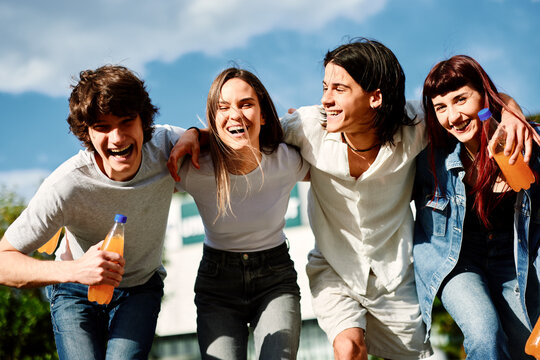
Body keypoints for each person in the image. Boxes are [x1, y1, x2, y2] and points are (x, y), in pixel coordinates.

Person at [168, 38, 536, 360]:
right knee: (348, 348)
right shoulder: (309, 127)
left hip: (394, 269)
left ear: (375, 97)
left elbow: (469, 100)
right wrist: (195, 133)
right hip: (334, 267)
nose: (325, 99)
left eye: (339, 89)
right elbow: (247, 129)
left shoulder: (415, 125)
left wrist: (510, 111)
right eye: (324, 87)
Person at [0, 65, 192, 359]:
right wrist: (74, 271)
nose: (116, 138)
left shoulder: (166, 145)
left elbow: (220, 136)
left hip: (139, 288)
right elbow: (3, 262)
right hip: (75, 290)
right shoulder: (67, 185)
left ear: (144, 123)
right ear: (87, 133)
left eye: (127, 121)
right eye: (102, 127)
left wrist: (195, 135)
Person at [175, 68, 309, 359]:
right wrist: (194, 134)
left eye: (246, 104)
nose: (234, 113)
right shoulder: (195, 169)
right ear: (213, 120)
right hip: (217, 284)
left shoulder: (286, 161)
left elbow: (337, 161)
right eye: (223, 107)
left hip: (275, 278)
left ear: (262, 114)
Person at [413, 55, 540, 360]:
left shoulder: (525, 141)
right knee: (485, 335)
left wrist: (511, 112)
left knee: (526, 350)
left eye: (461, 99)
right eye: (441, 107)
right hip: (457, 262)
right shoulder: (430, 160)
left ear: (483, 95)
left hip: (513, 257)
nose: (453, 116)